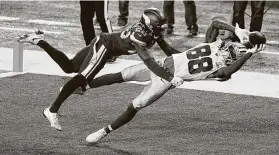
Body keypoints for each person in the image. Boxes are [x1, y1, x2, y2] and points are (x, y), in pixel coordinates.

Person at [83, 18, 266, 143]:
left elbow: (226, 73)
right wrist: (236, 30)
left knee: (135, 105)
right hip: (163, 63)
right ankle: (83, 85)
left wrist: (248, 51)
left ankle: (104, 131)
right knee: (121, 75)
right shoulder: (214, 43)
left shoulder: (221, 67)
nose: (223, 36)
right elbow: (213, 25)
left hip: (167, 80)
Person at [18, 8, 184, 131]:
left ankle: (38, 41)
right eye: (159, 26)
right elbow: (149, 62)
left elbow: (168, 50)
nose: (162, 30)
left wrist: (187, 56)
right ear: (149, 26)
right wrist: (169, 78)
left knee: (69, 67)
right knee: (81, 77)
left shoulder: (150, 31)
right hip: (104, 47)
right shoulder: (139, 36)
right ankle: (51, 109)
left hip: (104, 44)